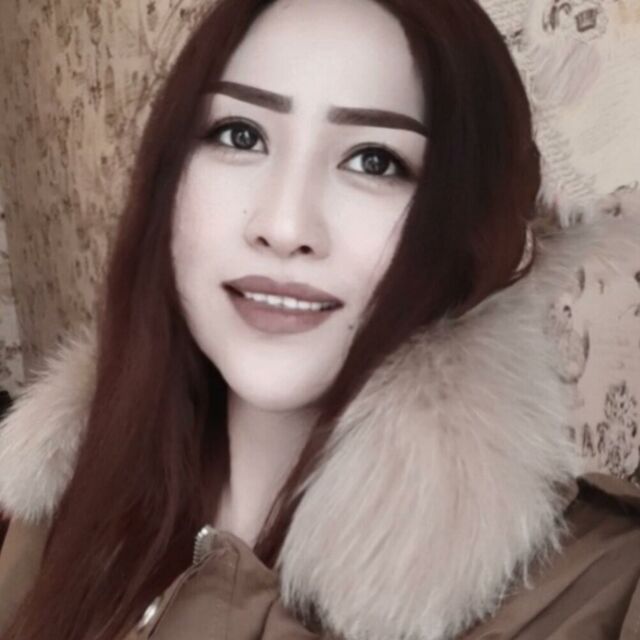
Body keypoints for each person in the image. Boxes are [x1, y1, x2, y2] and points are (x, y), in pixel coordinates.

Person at [0, 0, 638, 638]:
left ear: (470, 231)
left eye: (374, 161)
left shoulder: (593, 590)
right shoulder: (65, 487)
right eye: (240, 135)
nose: (283, 227)